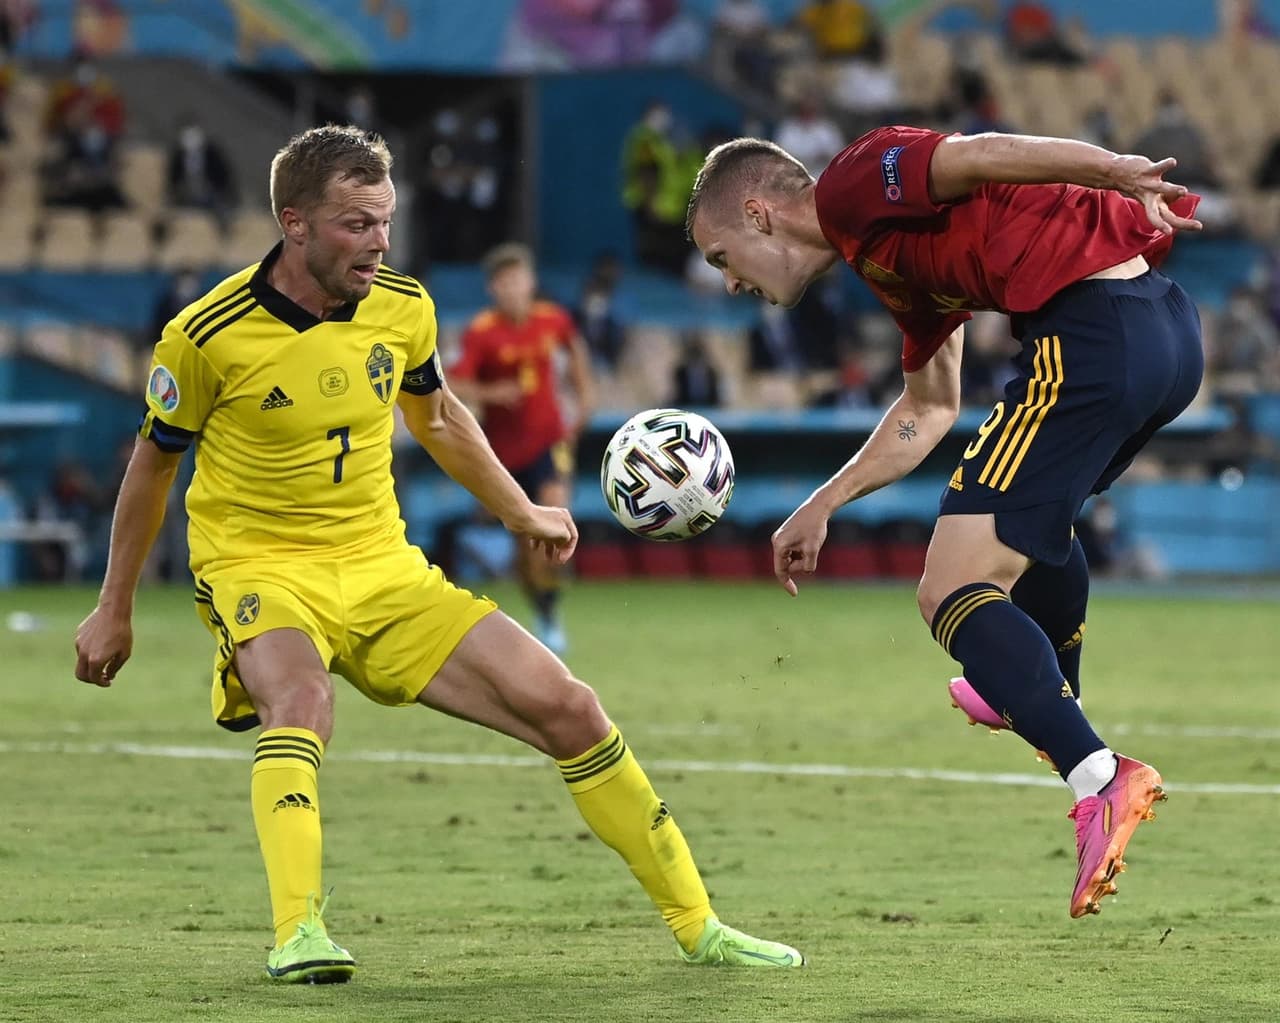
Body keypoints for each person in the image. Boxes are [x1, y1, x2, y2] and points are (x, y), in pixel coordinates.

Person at [73, 125, 803, 984]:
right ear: (293, 222)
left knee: (569, 705)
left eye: (385, 221)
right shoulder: (205, 335)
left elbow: (442, 416)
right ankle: (298, 930)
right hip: (259, 565)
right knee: (301, 701)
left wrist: (520, 510)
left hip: (383, 568)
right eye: (356, 224)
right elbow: (152, 467)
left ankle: (700, 926)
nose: (379, 242)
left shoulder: (402, 306)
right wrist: (114, 606)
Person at [686, 126, 1205, 919]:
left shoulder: (853, 183)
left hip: (1093, 332)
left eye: (722, 257)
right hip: (1163, 332)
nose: (728, 283)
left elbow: (980, 153)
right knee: (1032, 526)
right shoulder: (881, 256)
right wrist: (825, 500)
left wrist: (1114, 170)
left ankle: (1099, 776)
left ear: (758, 215)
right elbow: (928, 408)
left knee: (950, 589)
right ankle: (1031, 686)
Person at [448, 243, 595, 655]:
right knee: (528, 551)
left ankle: (551, 601)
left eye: (520, 279)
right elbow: (453, 382)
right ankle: (545, 609)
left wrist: (584, 404)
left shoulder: (553, 320)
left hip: (549, 443)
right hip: (503, 455)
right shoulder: (481, 332)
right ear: (493, 288)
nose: (514, 288)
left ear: (530, 282)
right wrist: (491, 393)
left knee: (554, 522)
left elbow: (576, 358)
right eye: (505, 281)